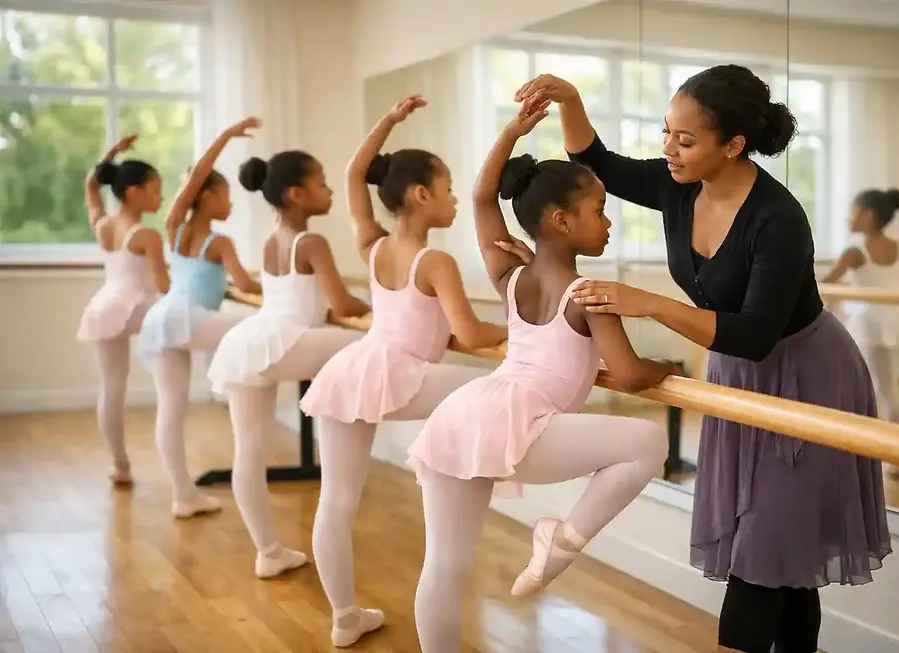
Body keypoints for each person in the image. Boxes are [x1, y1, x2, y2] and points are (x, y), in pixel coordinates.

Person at [507, 66, 891, 653]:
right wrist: (571, 100)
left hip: (803, 373)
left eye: (684, 141)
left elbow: (756, 334)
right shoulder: (676, 185)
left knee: (763, 546)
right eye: (666, 133)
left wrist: (649, 304)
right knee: (777, 548)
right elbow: (600, 162)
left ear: (734, 145)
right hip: (737, 373)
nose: (668, 150)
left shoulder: (778, 219)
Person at [407, 103, 673, 653]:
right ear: (561, 220)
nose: (608, 222)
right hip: (520, 423)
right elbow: (628, 373)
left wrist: (511, 131)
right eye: (599, 210)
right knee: (648, 440)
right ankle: (564, 539)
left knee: (444, 566)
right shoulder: (590, 295)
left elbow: (483, 200)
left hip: (466, 414)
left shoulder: (510, 273)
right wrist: (668, 369)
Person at [298, 95, 507, 648]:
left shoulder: (372, 246)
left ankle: (344, 616)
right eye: (449, 189)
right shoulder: (435, 262)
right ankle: (462, 476)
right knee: (488, 389)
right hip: (405, 373)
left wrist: (389, 121)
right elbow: (472, 334)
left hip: (356, 368)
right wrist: (524, 331)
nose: (457, 199)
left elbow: (352, 174)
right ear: (421, 195)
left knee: (336, 500)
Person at [207, 149, 370, 579]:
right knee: (366, 342)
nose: (330, 189)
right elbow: (342, 303)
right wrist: (374, 307)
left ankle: (268, 551)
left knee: (249, 449)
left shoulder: (270, 240)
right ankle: (342, 429)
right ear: (297, 194)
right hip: (287, 341)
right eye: (322, 182)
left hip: (250, 341)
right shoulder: (311, 242)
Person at [138, 117, 264, 518]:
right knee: (261, 330)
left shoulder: (174, 229)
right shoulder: (220, 241)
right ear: (207, 198)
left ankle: (183, 495)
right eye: (225, 196)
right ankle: (233, 390)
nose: (229, 205)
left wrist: (225, 137)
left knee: (170, 408)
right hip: (190, 319)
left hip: (161, 320)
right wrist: (277, 285)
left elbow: (191, 184)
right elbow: (246, 284)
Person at [822, 175, 899, 478]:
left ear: (868, 216)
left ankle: (886, 451)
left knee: (876, 384)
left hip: (872, 321)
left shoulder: (855, 253)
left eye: (853, 210)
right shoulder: (898, 247)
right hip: (887, 318)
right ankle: (883, 450)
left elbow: (826, 282)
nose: (849, 217)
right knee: (882, 384)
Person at [78, 135, 169, 486]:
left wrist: (111, 154)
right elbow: (164, 287)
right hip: (136, 307)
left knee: (112, 386)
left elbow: (91, 186)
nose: (160, 197)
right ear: (133, 192)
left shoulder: (103, 225)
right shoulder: (146, 235)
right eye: (155, 190)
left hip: (104, 306)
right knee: (182, 314)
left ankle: (120, 465)